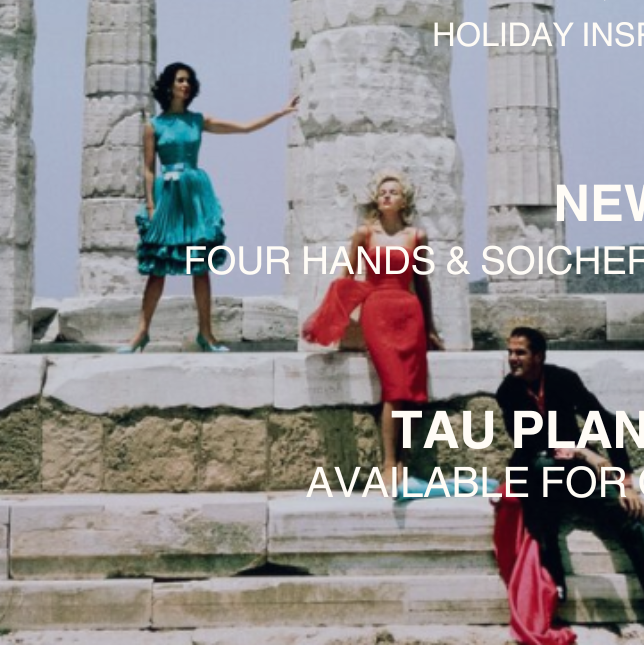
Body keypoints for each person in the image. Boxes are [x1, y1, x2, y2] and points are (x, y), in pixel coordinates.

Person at [495, 327, 644, 634]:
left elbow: (604, 421)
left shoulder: (563, 379)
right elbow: (532, 441)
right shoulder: (508, 391)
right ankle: (554, 595)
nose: (512, 358)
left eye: (520, 352)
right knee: (543, 488)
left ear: (539, 356)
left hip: (576, 470)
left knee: (631, 513)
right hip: (537, 468)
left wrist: (625, 482)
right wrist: (584, 453)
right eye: (510, 352)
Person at [121, 62, 297, 353]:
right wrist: (151, 206)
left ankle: (206, 333)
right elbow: (148, 168)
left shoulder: (198, 120)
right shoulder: (153, 125)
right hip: (167, 197)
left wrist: (279, 112)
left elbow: (244, 128)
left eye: (188, 81)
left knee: (200, 266)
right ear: (169, 85)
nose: (185, 85)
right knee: (158, 267)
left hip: (194, 195)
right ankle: (141, 332)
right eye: (180, 80)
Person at [301, 170, 442, 487]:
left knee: (411, 391)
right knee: (393, 389)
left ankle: (404, 459)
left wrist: (430, 327)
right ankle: (389, 462)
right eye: (382, 192)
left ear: (404, 200)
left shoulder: (417, 236)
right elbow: (347, 279)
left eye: (393, 192)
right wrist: (338, 320)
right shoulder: (364, 234)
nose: (387, 196)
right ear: (376, 201)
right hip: (377, 313)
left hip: (410, 314)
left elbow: (422, 282)